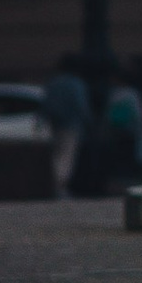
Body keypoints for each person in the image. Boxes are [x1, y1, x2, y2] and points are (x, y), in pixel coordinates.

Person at [38, 61, 89, 200]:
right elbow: (81, 105)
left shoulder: (53, 83)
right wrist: (88, 122)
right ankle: (59, 188)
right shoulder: (75, 83)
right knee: (66, 158)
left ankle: (55, 187)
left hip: (55, 125)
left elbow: (45, 104)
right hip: (71, 126)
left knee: (56, 156)